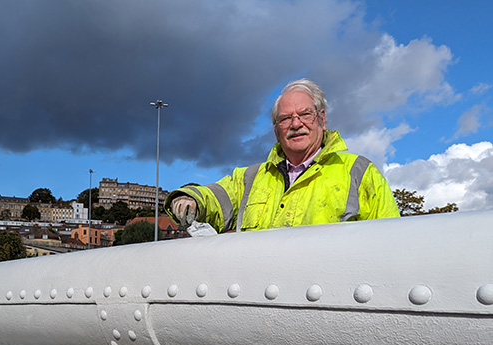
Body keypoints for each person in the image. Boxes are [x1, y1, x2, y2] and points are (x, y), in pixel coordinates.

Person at [165, 79, 400, 232]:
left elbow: (392, 240)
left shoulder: (359, 171)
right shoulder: (251, 178)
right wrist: (190, 199)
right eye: (285, 118)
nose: (296, 124)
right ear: (276, 130)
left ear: (322, 119)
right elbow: (216, 196)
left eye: (305, 114)